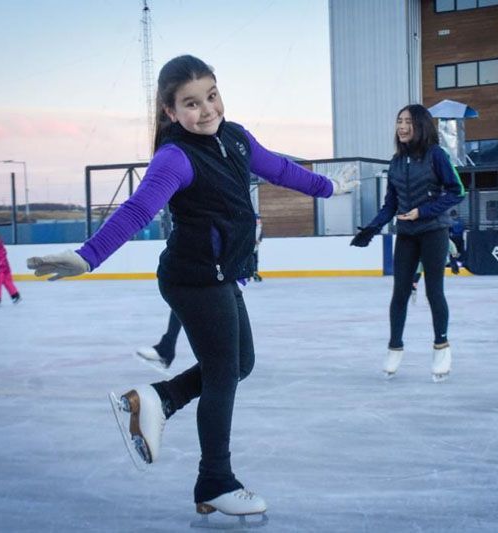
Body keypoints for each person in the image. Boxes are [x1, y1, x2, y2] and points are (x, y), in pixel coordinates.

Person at [26, 55, 357, 523]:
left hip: (219, 274)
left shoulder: (236, 139)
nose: (206, 110)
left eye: (212, 95)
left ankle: (158, 399)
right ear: (169, 112)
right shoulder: (175, 158)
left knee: (241, 364)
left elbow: (280, 169)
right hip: (194, 278)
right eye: (191, 103)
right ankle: (215, 482)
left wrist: (328, 187)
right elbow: (138, 210)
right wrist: (88, 255)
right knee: (224, 373)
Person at [351, 103, 466, 381]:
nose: (401, 127)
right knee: (399, 292)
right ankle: (395, 346)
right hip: (406, 234)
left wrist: (423, 211)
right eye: (399, 121)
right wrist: (372, 227)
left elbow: (457, 191)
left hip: (433, 231)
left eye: (408, 122)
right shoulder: (396, 162)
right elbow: (390, 204)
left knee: (433, 291)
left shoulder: (436, 155)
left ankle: (441, 347)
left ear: (421, 125)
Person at [252, 214, 263, 282]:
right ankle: (250, 273)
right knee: (251, 260)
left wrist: (259, 240)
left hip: (256, 248)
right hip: (251, 248)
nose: (258, 220)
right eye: (257, 219)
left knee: (256, 260)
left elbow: (261, 235)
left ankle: (255, 272)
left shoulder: (260, 227)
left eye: (259, 219)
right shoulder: (252, 227)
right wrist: (253, 241)